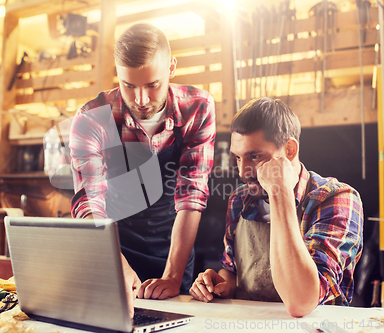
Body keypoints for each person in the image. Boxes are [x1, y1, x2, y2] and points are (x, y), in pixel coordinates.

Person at [69, 22, 216, 314]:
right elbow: (89, 204)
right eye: (129, 86)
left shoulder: (197, 107)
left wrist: (173, 276)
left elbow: (191, 194)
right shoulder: (92, 118)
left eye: (153, 85)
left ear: (171, 67)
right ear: (118, 74)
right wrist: (115, 264)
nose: (141, 100)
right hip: (114, 242)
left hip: (172, 243)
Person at [189, 97, 363, 317]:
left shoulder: (337, 199)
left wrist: (279, 191)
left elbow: (302, 300)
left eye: (254, 156)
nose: (243, 172)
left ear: (289, 150)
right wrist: (219, 283)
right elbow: (232, 271)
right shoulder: (239, 199)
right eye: (238, 158)